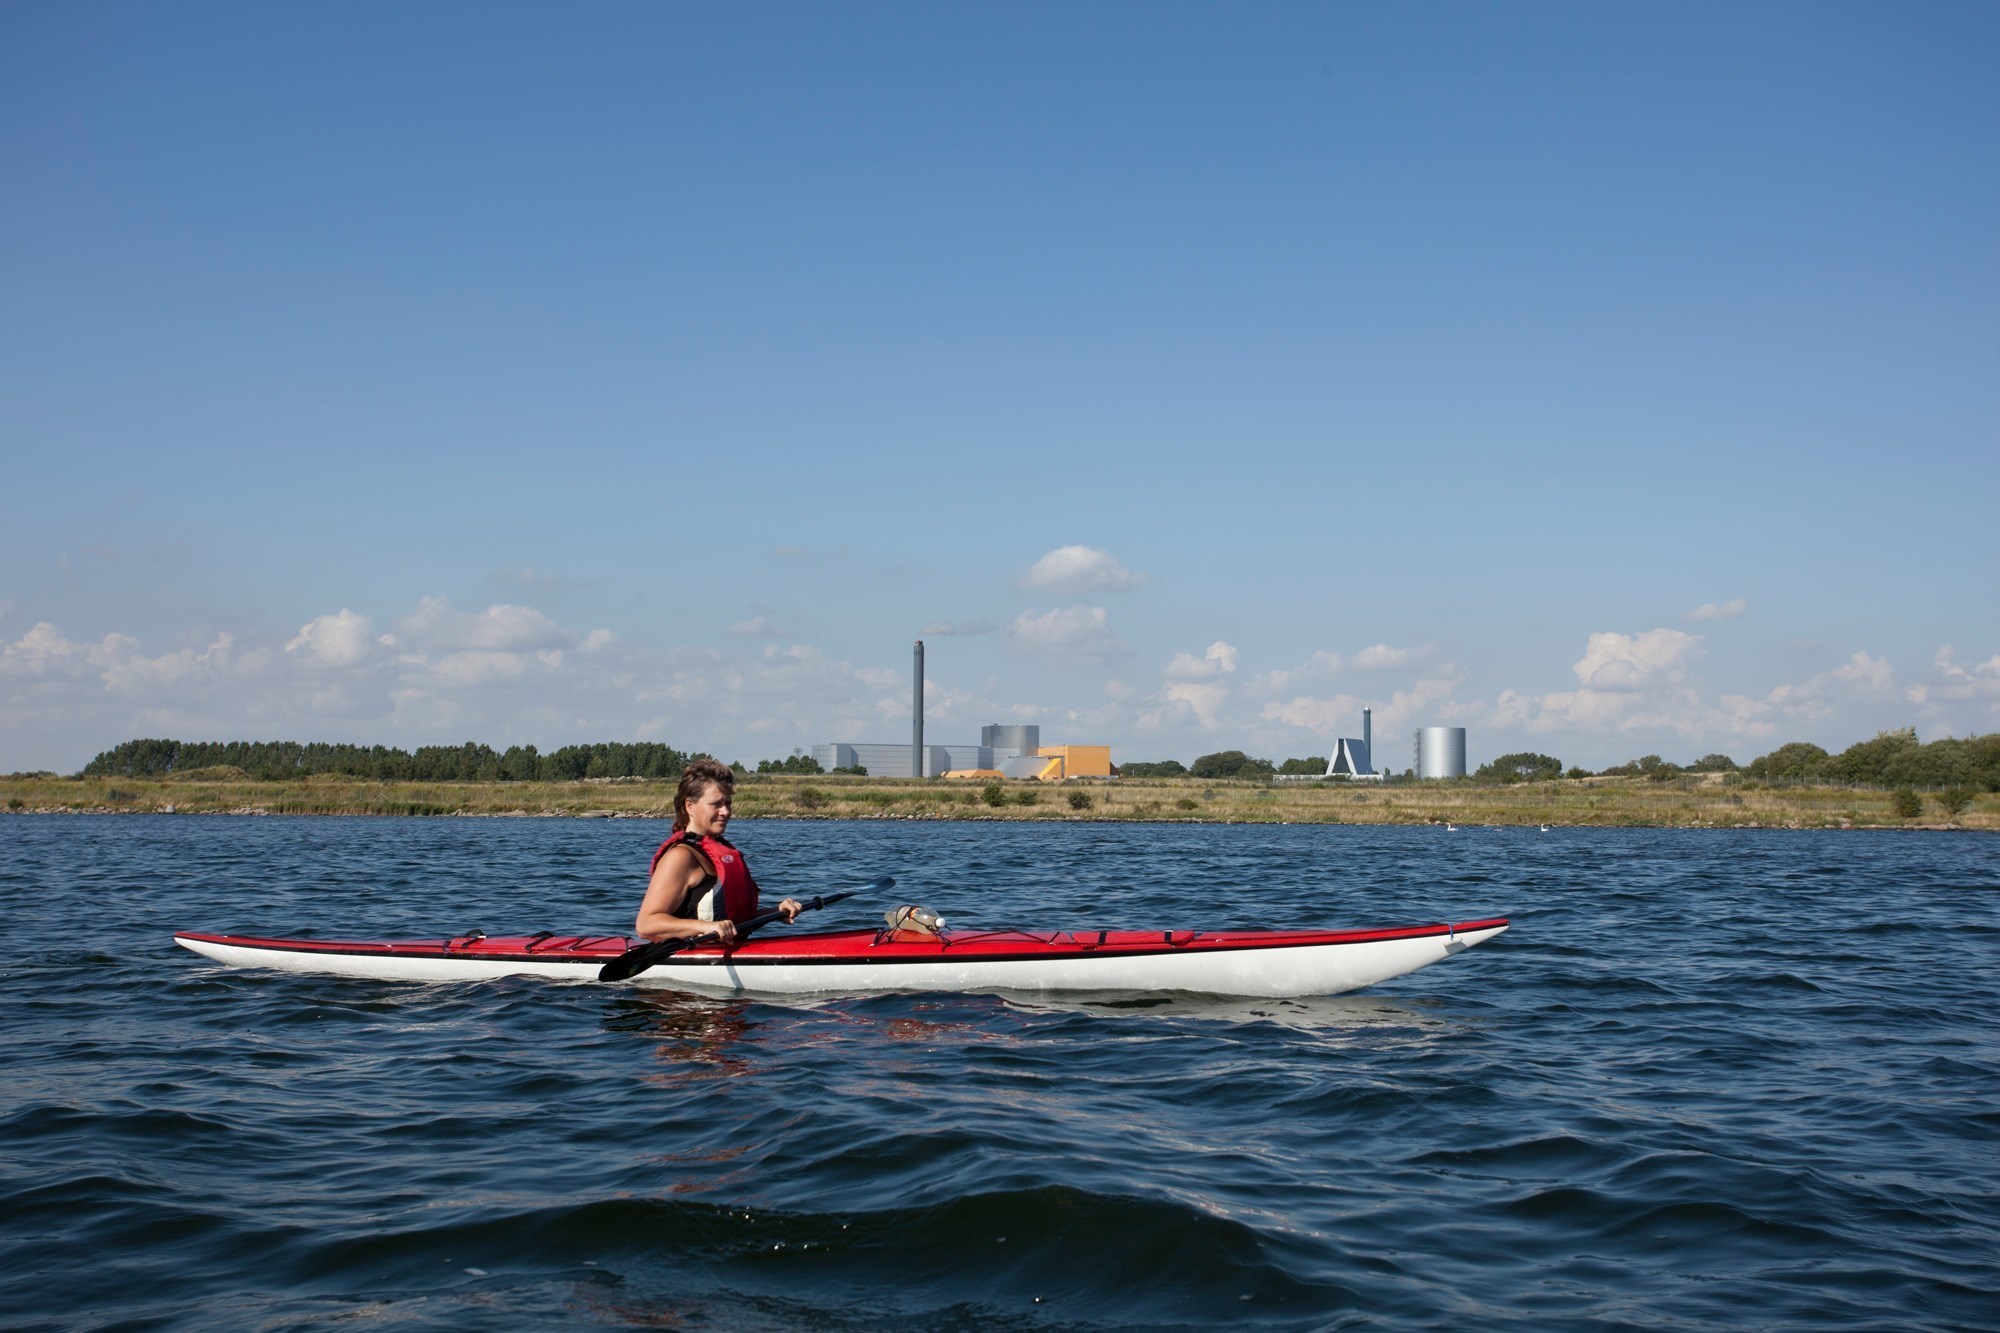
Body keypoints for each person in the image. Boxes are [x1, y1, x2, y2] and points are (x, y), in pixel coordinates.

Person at [636, 759, 801, 945]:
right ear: (690, 805)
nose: (725, 812)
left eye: (728, 803)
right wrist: (704, 927)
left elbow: (727, 917)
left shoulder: (720, 850)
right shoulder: (680, 856)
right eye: (716, 804)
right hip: (687, 958)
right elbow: (646, 925)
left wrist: (775, 912)